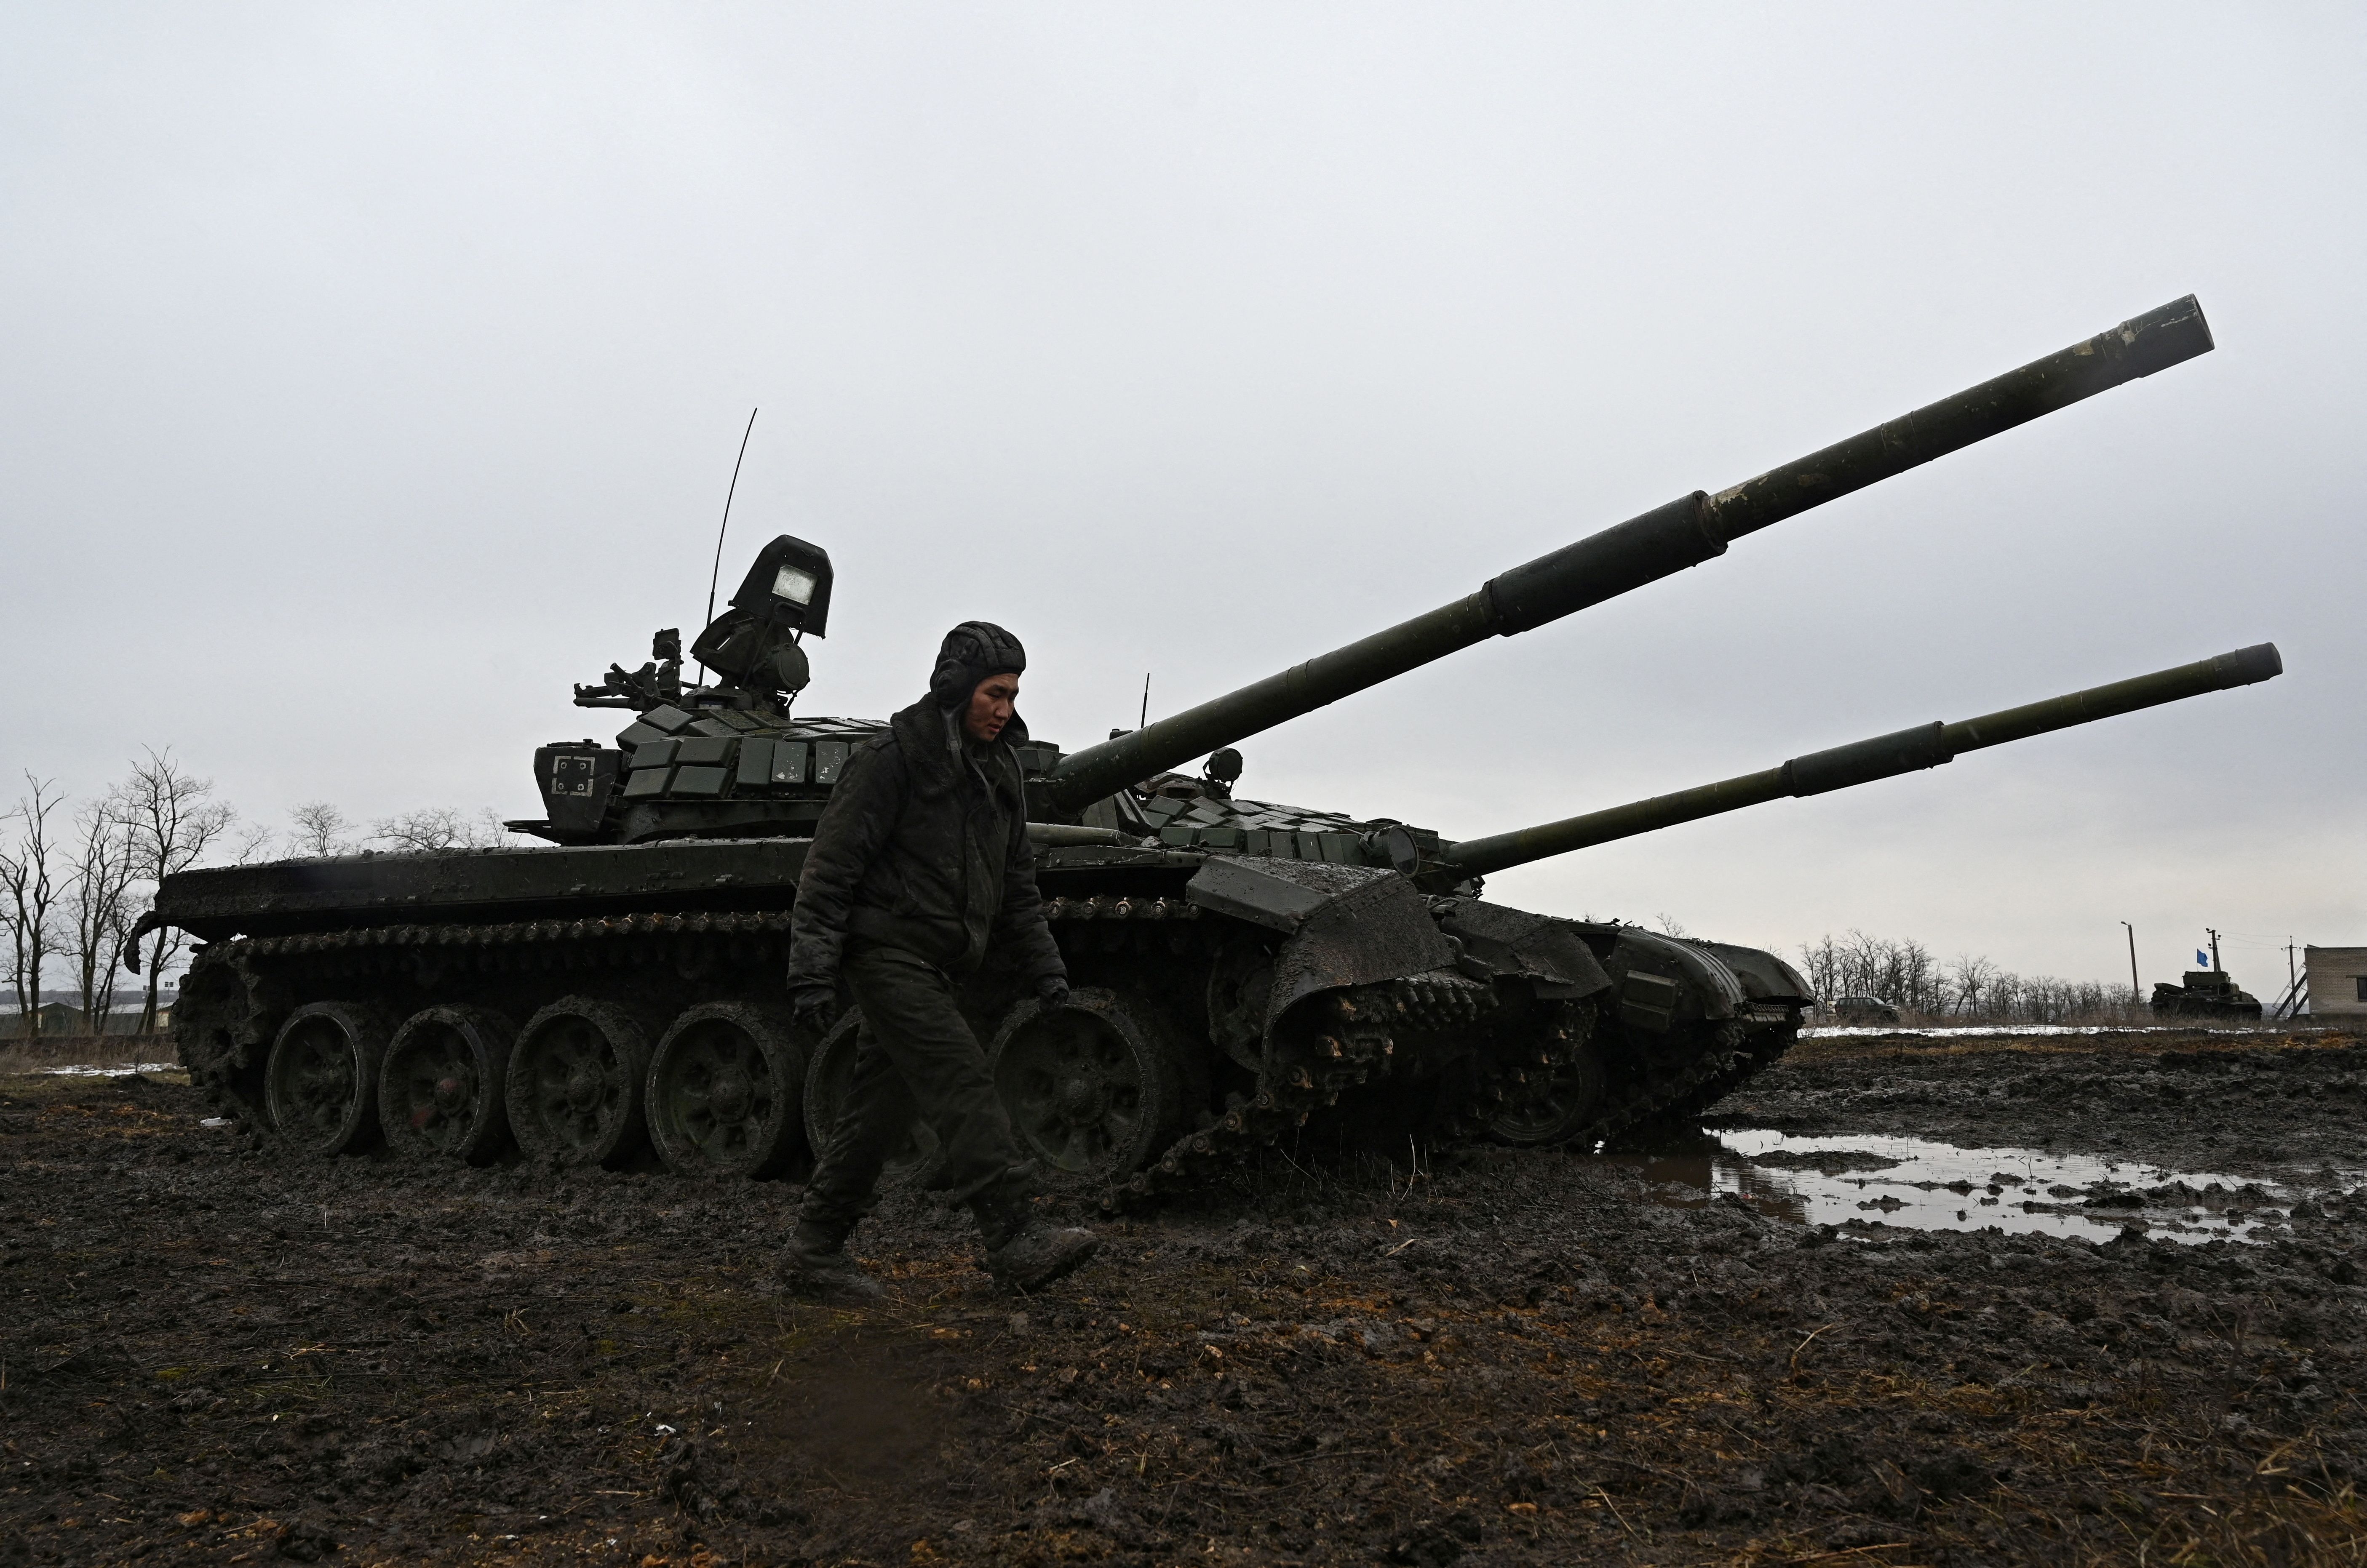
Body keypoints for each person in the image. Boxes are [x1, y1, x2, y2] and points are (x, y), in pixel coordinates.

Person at [780, 620, 1097, 1300]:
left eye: (1013, 694)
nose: (1005, 708)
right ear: (955, 688)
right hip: (887, 950)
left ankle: (814, 1252)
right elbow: (830, 870)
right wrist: (811, 971)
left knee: (878, 1111)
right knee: (962, 1078)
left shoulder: (1000, 768)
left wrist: (1047, 969)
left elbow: (1017, 883)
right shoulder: (895, 759)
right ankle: (1013, 1237)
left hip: (940, 963)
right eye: (994, 693)